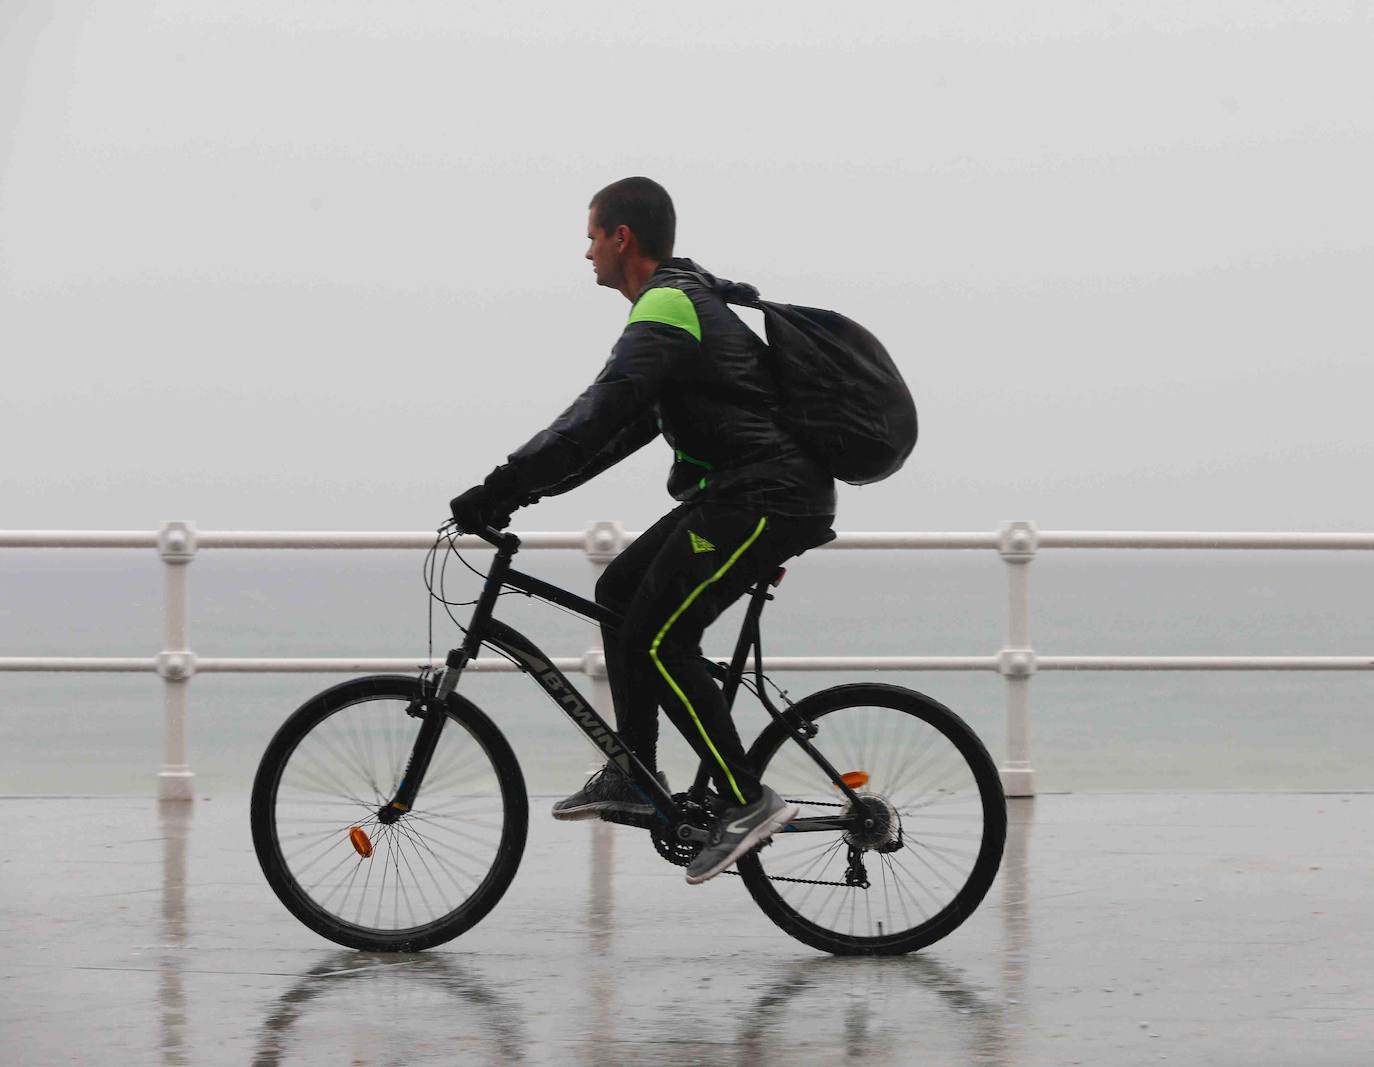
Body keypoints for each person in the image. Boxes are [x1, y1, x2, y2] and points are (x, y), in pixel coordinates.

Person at [449, 177, 836, 885]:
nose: (586, 249)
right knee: (621, 589)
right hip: (742, 493)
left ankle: (747, 798)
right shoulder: (676, 306)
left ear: (622, 238)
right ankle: (634, 769)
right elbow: (612, 437)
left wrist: (499, 485)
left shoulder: (669, 304)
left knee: (658, 639)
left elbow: (594, 414)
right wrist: (518, 496)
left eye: (592, 234)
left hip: (766, 496)